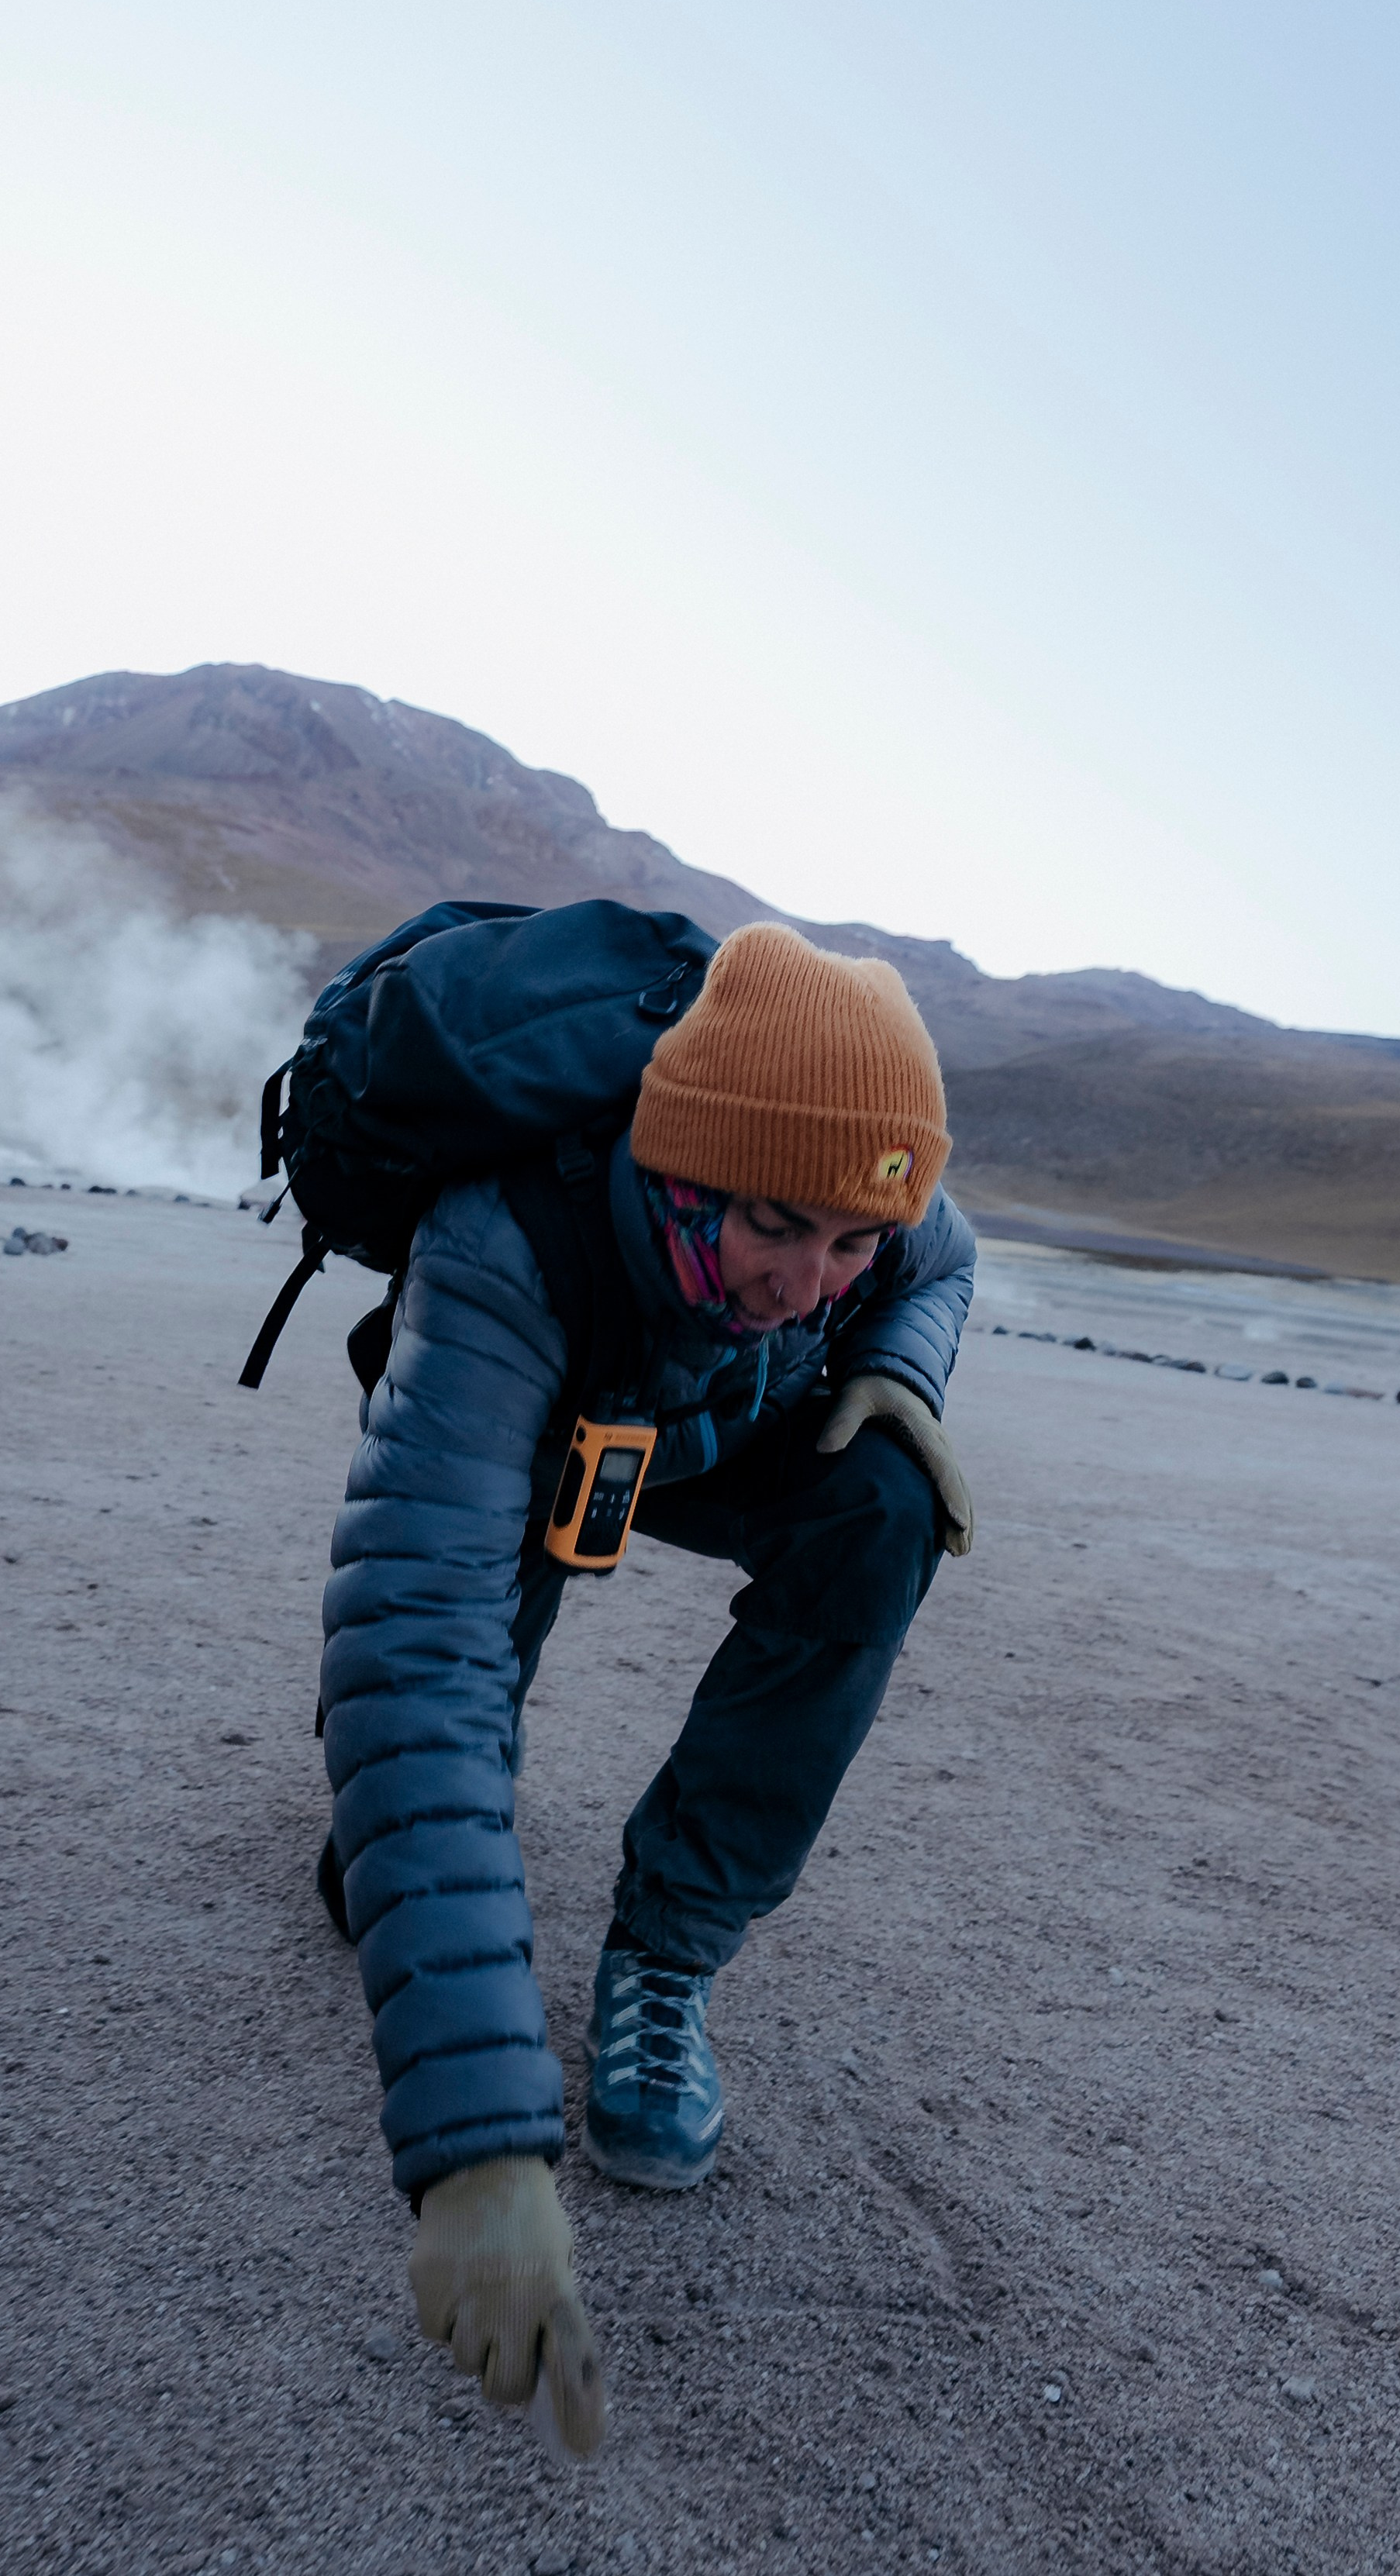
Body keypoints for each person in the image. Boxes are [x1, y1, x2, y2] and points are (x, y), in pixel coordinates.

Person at [318, 922, 977, 2450]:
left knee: (882, 1505)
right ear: (680, 1164)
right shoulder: (499, 1252)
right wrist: (478, 2152)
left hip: (715, 1437)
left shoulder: (857, 1234)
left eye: (849, 1243)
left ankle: (662, 1964)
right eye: (771, 1226)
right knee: (409, 1803)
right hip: (551, 1411)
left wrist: (900, 1367)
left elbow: (939, 1247)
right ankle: (422, 1850)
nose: (810, 1284)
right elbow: (411, 1642)